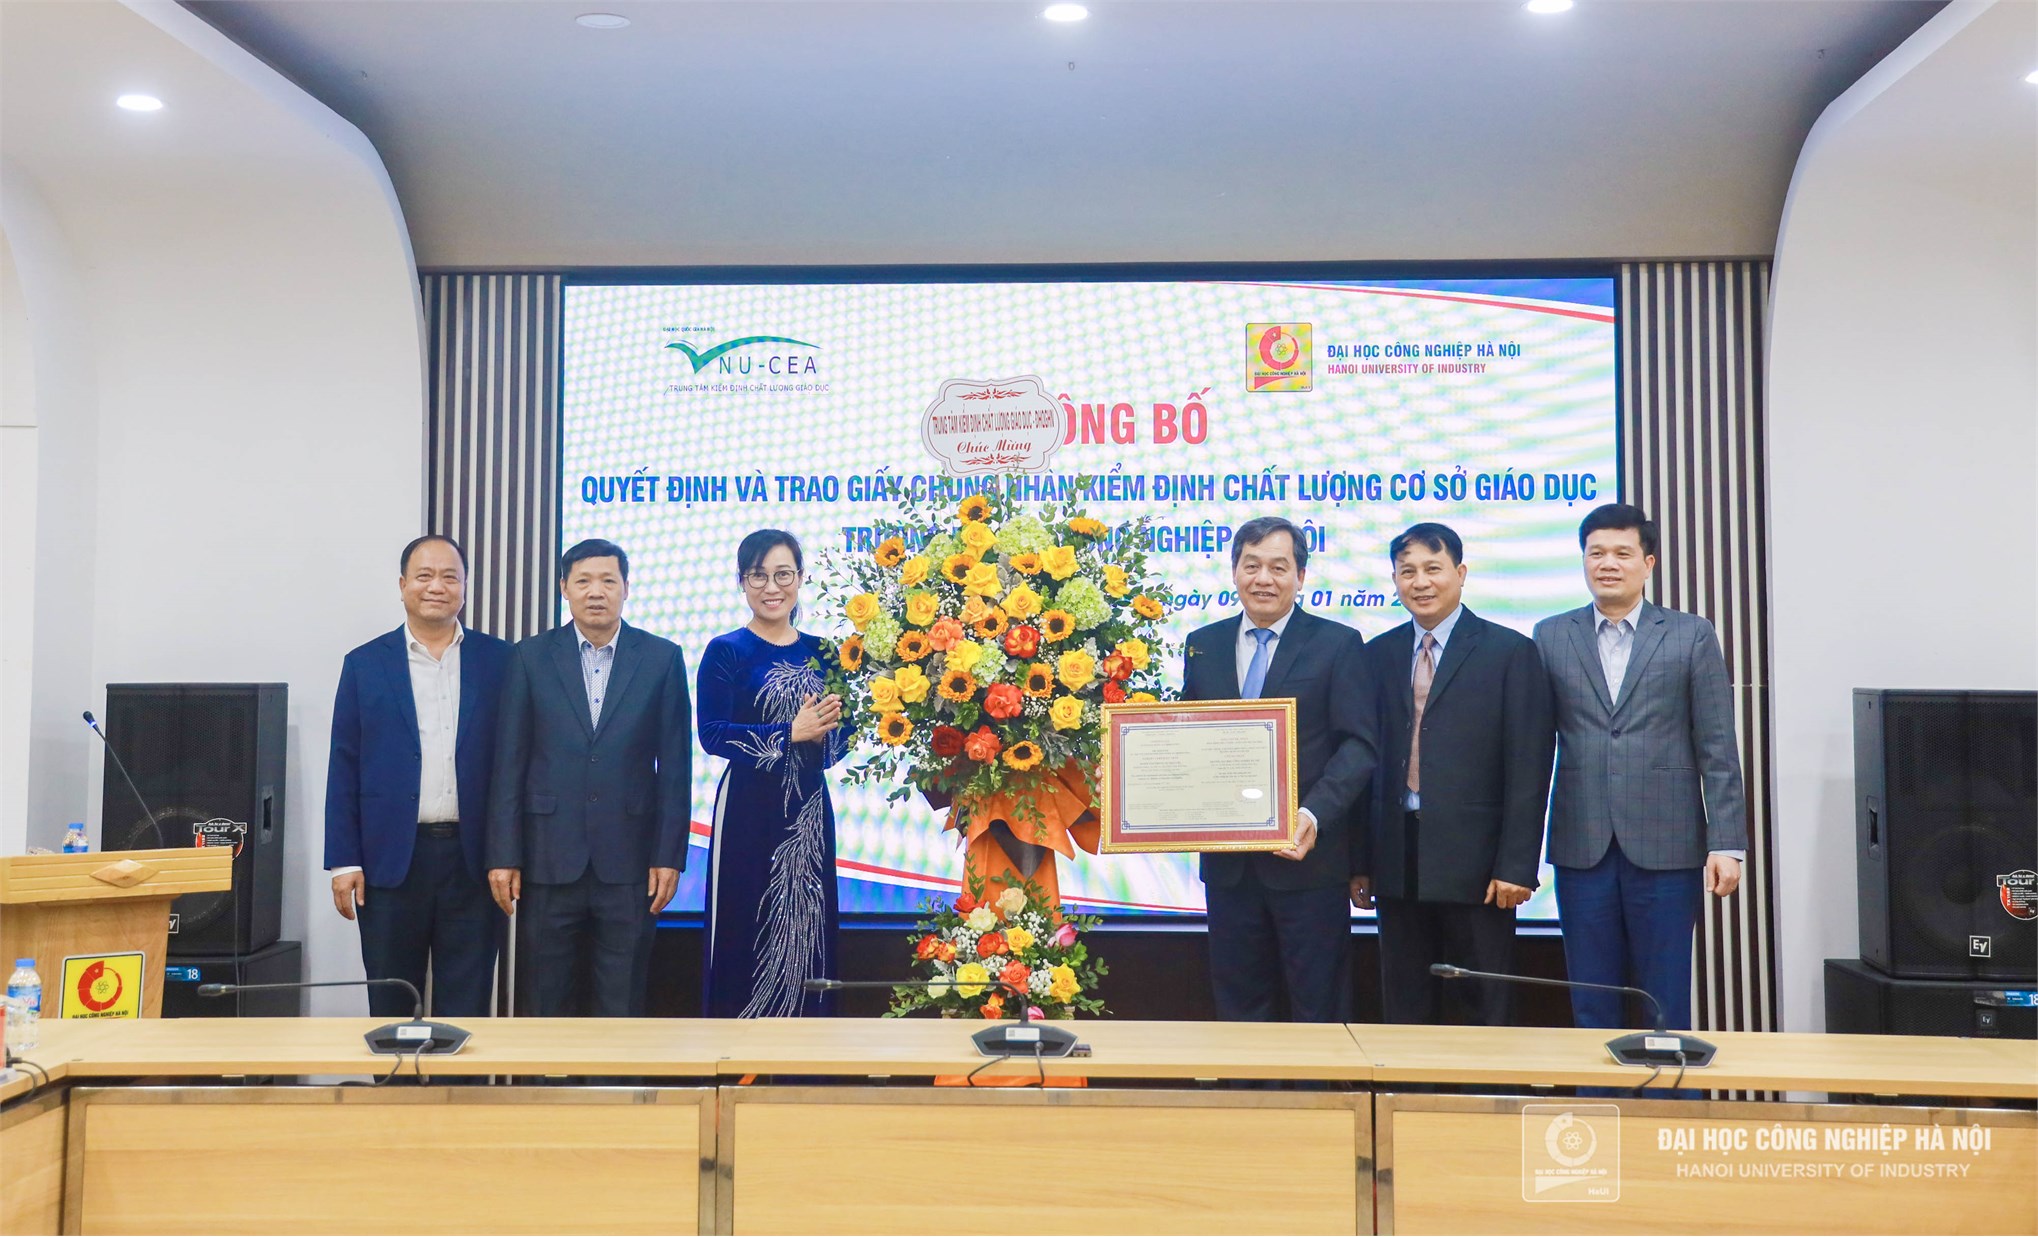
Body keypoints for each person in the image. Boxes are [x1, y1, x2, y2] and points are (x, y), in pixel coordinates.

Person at [1535, 503, 1746, 1032]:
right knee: (1591, 997)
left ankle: (1668, 1086)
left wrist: (1727, 843)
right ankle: (1596, 1086)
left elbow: (1717, 746)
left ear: (1648, 563)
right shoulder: (1551, 635)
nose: (1608, 564)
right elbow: (1533, 749)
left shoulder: (1690, 634)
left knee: (1664, 996)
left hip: (1668, 845)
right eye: (1596, 553)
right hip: (1582, 845)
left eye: (1622, 553)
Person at [1351, 522, 1554, 1025]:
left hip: (1479, 866)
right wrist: (1360, 861)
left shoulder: (1509, 652)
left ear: (1460, 573)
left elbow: (1529, 765)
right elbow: (1363, 762)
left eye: (1433, 568)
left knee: (1483, 1002)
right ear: (1394, 580)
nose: (1420, 582)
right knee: (1405, 1002)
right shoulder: (1376, 654)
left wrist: (1517, 865)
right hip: (1397, 857)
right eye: (1407, 572)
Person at [1180, 516, 1376, 1022]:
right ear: (1234, 571)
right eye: (1251, 566)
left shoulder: (1338, 643)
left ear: (1300, 576)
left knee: (1319, 1008)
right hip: (1228, 868)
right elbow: (1185, 738)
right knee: (1239, 1008)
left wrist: (1312, 814)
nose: (1263, 579)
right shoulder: (1203, 644)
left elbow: (1358, 747)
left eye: (1278, 567)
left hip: (1308, 862)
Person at [486, 538, 692, 1017]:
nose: (595, 591)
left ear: (626, 588)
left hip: (630, 863)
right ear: (565, 587)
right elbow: (509, 763)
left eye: (607, 581)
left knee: (622, 1000)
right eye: (583, 581)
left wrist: (668, 855)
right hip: (547, 859)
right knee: (545, 1000)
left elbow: (675, 768)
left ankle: (619, 1072)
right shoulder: (530, 657)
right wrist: (504, 854)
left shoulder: (661, 658)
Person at [325, 534, 510, 1018]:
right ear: (403, 585)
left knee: (467, 1005)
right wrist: (343, 860)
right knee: (391, 1000)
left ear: (465, 587)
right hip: (389, 863)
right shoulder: (365, 664)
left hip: (474, 862)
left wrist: (510, 853)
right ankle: (396, 1073)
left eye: (450, 577)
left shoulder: (500, 661)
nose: (437, 587)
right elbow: (344, 764)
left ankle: (458, 1073)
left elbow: (516, 765)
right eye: (424, 576)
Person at [696, 530, 846, 1017]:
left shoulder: (826, 653)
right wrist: (788, 733)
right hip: (745, 810)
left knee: (809, 921)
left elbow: (841, 741)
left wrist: (823, 736)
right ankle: (735, 1047)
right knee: (743, 921)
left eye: (783, 574)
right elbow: (712, 734)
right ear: (742, 582)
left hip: (808, 810)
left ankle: (809, 1049)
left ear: (801, 578)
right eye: (758, 576)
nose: (771, 587)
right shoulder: (726, 650)